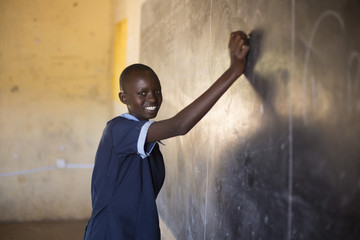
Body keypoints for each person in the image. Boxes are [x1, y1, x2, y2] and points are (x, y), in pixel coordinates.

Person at [83, 30, 250, 240]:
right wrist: (233, 72)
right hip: (112, 233)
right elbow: (179, 125)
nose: (152, 98)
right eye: (142, 93)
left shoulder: (147, 138)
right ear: (123, 98)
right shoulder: (118, 130)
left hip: (139, 230)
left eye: (157, 90)